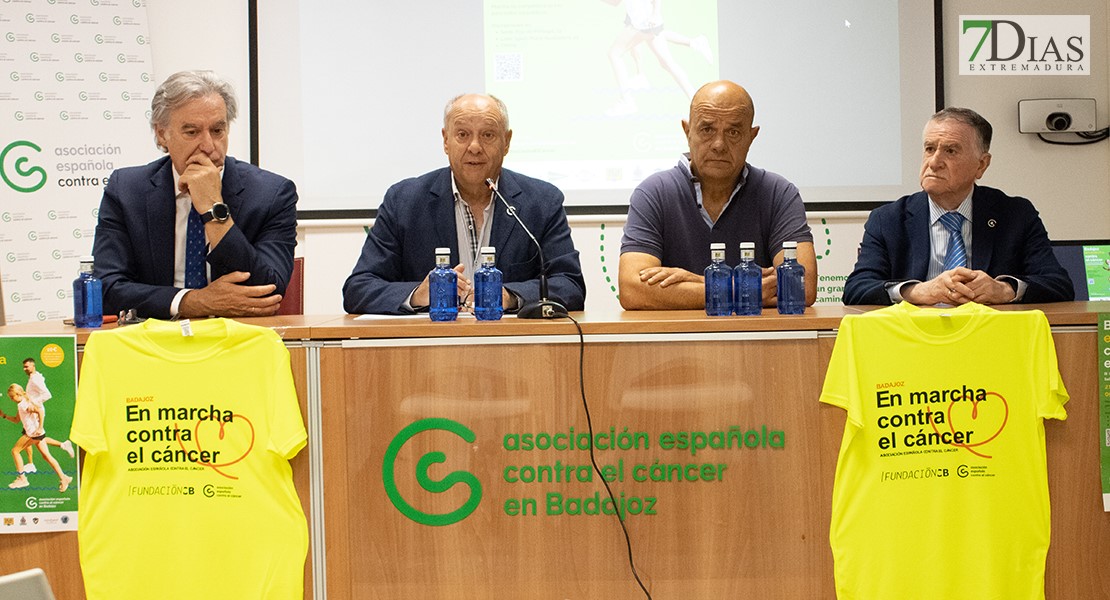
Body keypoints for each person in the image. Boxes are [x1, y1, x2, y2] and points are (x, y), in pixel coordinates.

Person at [343, 93, 586, 315]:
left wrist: (510, 296)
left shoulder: (541, 202)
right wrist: (419, 293)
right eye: (462, 135)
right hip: (430, 350)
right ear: (445, 140)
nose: (475, 147)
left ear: (507, 141)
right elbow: (358, 289)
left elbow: (570, 285)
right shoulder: (404, 201)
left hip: (513, 346)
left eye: (488, 135)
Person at [93, 70, 298, 320]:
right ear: (161, 134)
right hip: (154, 343)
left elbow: (267, 290)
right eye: (192, 132)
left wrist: (213, 208)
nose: (209, 146)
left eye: (217, 131)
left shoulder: (271, 194)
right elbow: (106, 288)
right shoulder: (126, 190)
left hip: (237, 342)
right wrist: (193, 302)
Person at [842, 107, 1074, 306]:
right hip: (914, 343)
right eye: (929, 149)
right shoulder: (889, 219)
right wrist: (918, 292)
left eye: (950, 151)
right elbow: (856, 290)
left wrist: (1002, 290)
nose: (934, 162)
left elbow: (1058, 284)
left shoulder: (1015, 215)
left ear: (981, 165)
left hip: (990, 339)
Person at [619, 80, 817, 310]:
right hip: (676, 342)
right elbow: (632, 289)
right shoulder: (654, 192)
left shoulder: (778, 193)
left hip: (757, 341)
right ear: (687, 131)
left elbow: (801, 288)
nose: (719, 144)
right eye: (707, 129)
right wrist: (737, 288)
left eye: (733, 132)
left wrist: (696, 282)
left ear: (752, 137)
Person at [2, 384, 74, 492]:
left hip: (33, 434)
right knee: (47, 456)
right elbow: (17, 420)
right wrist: (3, 415)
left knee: (15, 451)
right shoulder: (21, 404)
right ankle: (64, 478)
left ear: (18, 394)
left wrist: (40, 427)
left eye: (12, 397)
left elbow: (40, 411)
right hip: (35, 434)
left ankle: (22, 479)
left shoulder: (24, 404)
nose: (12, 400)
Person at [19, 357, 52, 474]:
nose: (25, 369)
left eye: (27, 366)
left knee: (37, 442)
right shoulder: (34, 377)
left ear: (33, 366)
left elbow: (47, 395)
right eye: (24, 367)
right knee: (32, 437)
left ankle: (63, 445)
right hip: (31, 411)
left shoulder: (35, 380)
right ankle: (31, 463)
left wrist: (33, 403)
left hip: (35, 412)